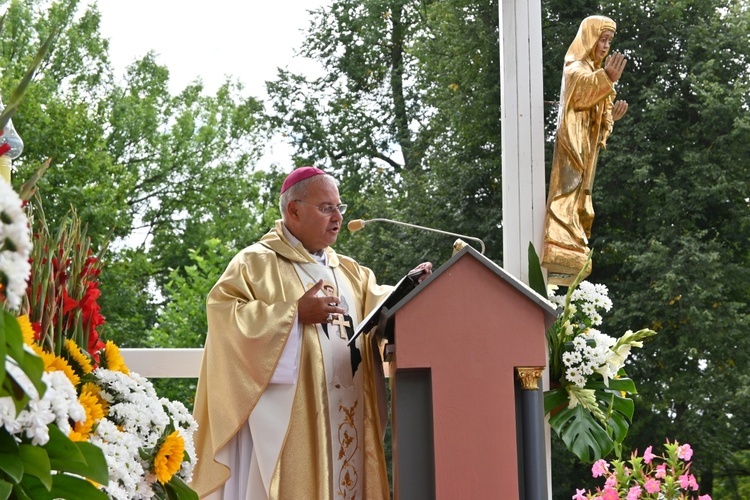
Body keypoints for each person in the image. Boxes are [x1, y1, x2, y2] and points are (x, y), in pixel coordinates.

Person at [190, 166, 432, 499]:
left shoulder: (349, 270)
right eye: (326, 207)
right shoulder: (255, 263)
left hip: (350, 407)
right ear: (294, 210)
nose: (337, 217)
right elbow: (225, 317)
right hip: (296, 422)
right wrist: (292, 315)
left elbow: (379, 308)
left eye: (339, 207)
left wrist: (411, 289)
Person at [541, 15, 628, 285]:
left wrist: (610, 117)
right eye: (602, 39)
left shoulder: (595, 72)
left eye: (609, 41)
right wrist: (606, 78)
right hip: (572, 146)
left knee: (580, 196)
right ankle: (559, 238)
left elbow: (601, 121)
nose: (605, 47)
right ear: (589, 38)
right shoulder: (575, 67)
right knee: (567, 188)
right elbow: (580, 95)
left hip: (587, 148)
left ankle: (573, 238)